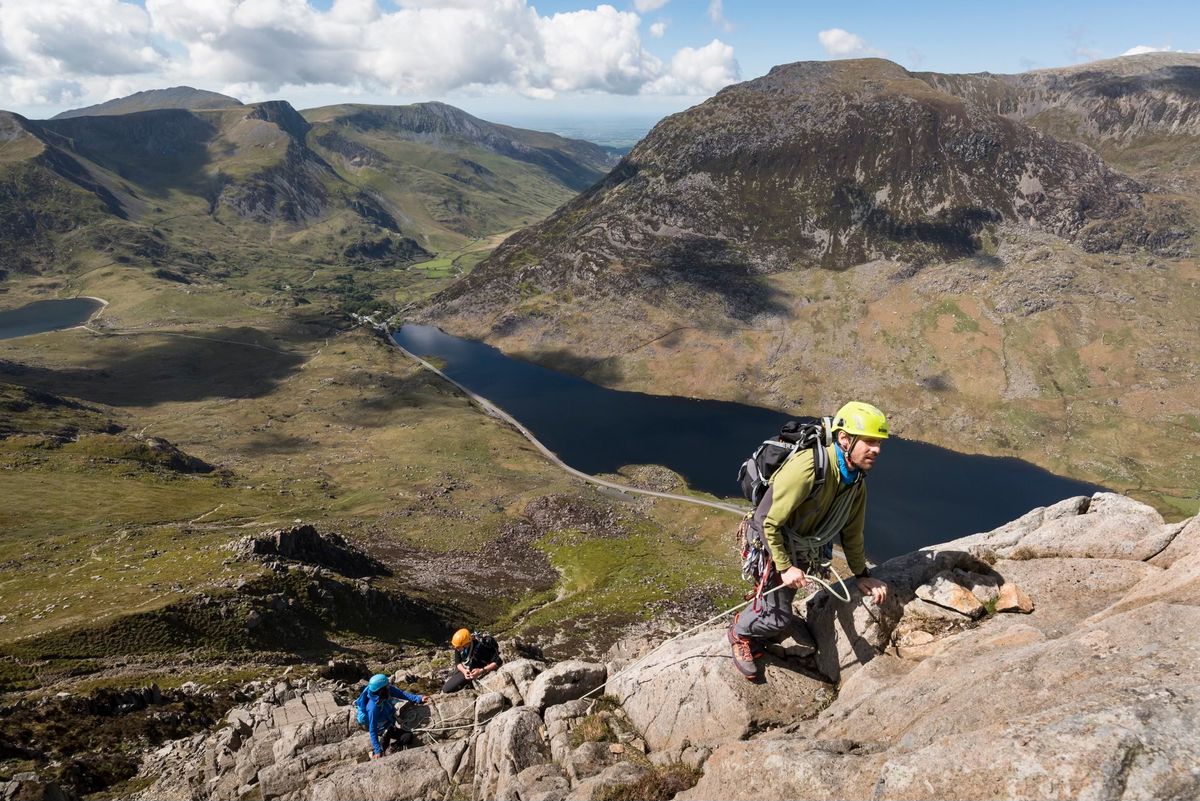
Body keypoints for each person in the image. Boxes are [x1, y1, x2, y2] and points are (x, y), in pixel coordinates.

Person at [728, 401, 891, 681]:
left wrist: (862, 575)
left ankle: (763, 614)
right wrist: (784, 566)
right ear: (844, 439)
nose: (876, 450)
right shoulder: (809, 467)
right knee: (777, 618)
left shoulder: (855, 481)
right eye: (868, 442)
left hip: (799, 550)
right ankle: (739, 633)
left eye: (878, 443)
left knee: (778, 612)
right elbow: (767, 520)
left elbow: (852, 533)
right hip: (771, 546)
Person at [356, 673, 426, 758]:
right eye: (387, 685)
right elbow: (372, 729)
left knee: (407, 736)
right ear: (381, 689)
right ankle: (377, 751)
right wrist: (377, 750)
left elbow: (401, 694)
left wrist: (418, 698)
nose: (389, 686)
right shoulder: (372, 708)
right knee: (381, 752)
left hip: (389, 724)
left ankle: (393, 747)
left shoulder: (385, 691)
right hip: (380, 729)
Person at [442, 628, 503, 692]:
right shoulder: (459, 645)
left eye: (458, 647)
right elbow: (458, 662)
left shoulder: (481, 647)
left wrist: (481, 671)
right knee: (447, 687)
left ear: (466, 644)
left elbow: (498, 662)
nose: (457, 649)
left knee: (446, 689)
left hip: (477, 668)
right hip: (467, 668)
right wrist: (464, 671)